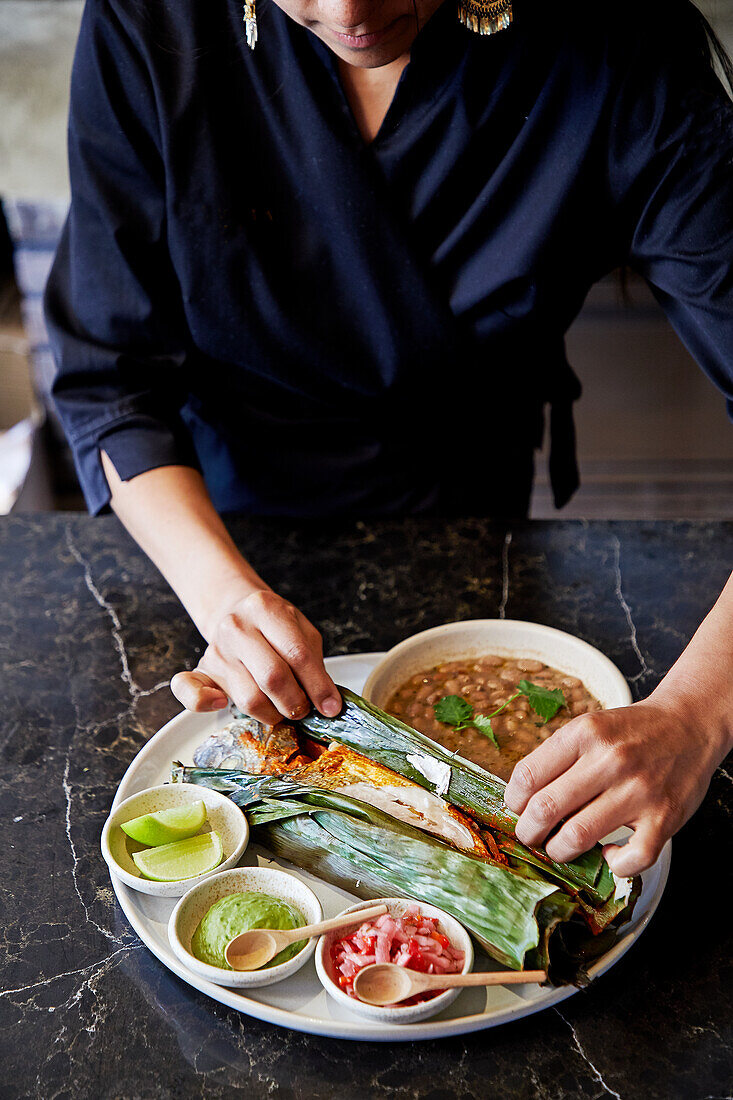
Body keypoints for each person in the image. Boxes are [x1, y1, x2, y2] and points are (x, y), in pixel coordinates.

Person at [45, 0, 733, 878]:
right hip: (213, 521)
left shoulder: (614, 43)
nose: (348, 11)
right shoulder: (152, 22)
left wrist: (699, 713)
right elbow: (111, 380)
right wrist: (223, 599)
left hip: (473, 506)